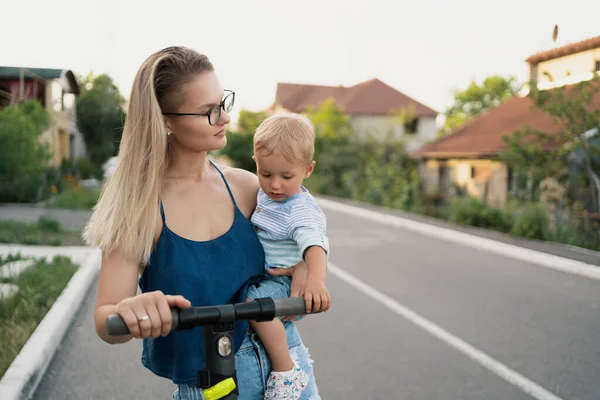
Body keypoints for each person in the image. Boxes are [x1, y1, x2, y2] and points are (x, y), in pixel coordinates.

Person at [83, 46, 321, 400]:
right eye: (208, 111)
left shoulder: (247, 188)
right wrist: (128, 310)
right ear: (166, 120)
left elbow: (306, 223)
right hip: (210, 388)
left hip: (288, 374)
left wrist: (306, 264)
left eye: (222, 102)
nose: (224, 117)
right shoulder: (138, 208)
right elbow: (107, 323)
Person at [245, 114, 331, 399]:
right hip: (267, 275)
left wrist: (316, 282)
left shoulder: (298, 209)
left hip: (282, 282)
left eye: (286, 176)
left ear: (308, 170)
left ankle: (286, 371)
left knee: (255, 306)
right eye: (266, 174)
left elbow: (314, 246)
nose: (275, 185)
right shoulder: (265, 195)